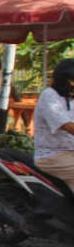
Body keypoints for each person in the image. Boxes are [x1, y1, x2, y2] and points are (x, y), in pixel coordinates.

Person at [34, 58, 74, 190]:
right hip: (52, 156)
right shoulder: (49, 96)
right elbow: (67, 126)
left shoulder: (70, 98)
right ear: (67, 79)